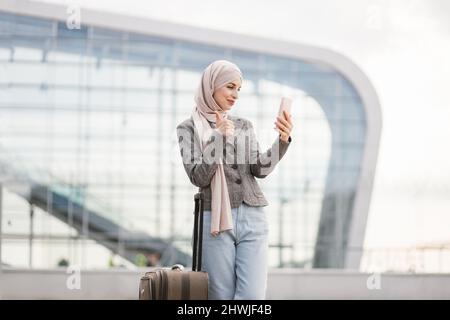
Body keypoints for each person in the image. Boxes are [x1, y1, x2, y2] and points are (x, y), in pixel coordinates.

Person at [176, 60, 293, 300]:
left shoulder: (244, 125)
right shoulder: (187, 129)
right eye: (230, 87)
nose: (235, 95)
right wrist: (218, 137)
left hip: (253, 216)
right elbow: (198, 175)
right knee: (221, 296)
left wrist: (282, 140)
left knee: (252, 297)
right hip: (215, 221)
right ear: (212, 86)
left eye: (238, 89)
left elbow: (260, 168)